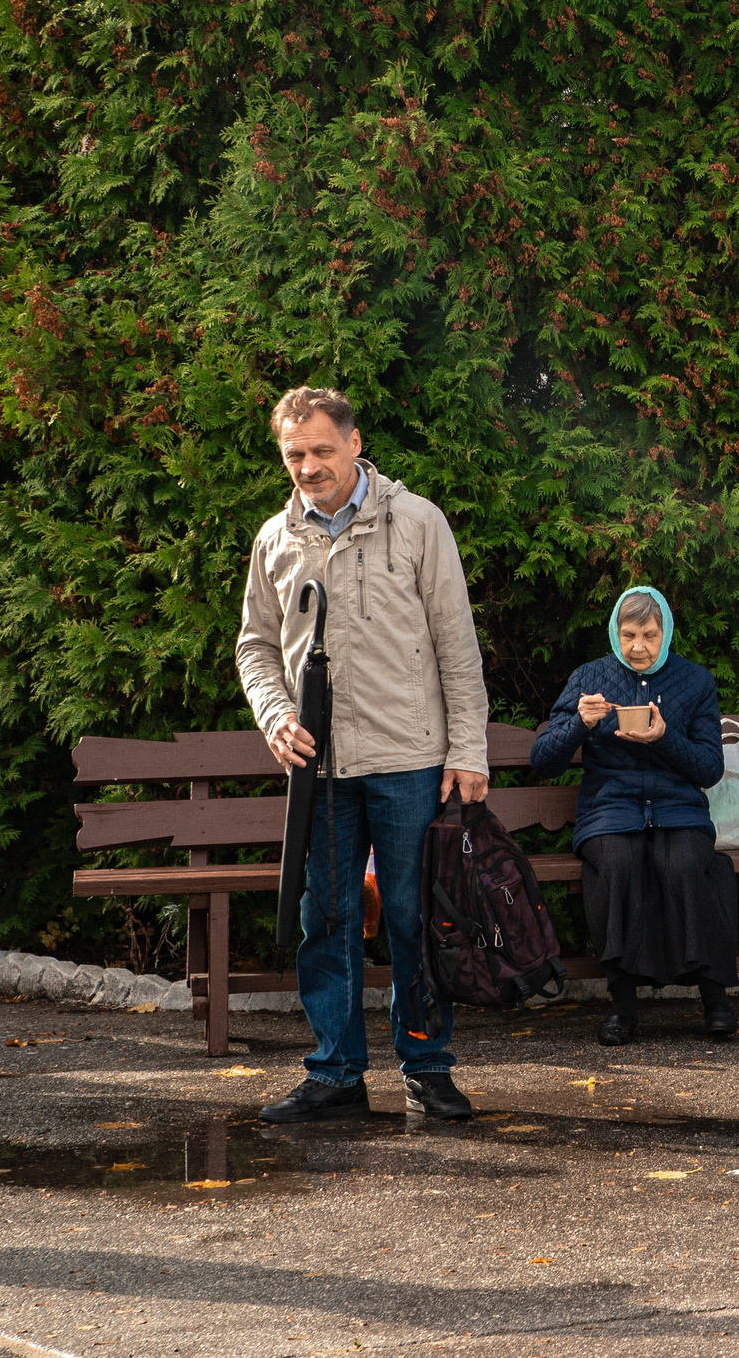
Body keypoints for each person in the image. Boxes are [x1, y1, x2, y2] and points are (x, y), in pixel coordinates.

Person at [235, 386, 489, 1125]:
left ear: (352, 442)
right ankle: (337, 1073)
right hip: (319, 770)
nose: (308, 467)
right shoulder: (275, 538)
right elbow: (254, 645)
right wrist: (276, 714)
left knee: (414, 920)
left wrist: (468, 749)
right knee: (330, 920)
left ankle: (428, 1068)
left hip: (410, 759)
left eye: (320, 450)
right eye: (294, 454)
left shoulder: (415, 523)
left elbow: (457, 645)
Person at [531, 587, 734, 1045]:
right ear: (614, 633)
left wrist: (664, 737)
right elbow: (543, 760)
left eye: (648, 635)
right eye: (628, 635)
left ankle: (716, 1000)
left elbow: (710, 768)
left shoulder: (695, 681)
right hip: (610, 811)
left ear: (665, 634)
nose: (638, 647)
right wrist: (577, 725)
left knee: (686, 865)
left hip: (678, 809)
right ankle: (622, 1007)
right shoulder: (590, 678)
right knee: (618, 866)